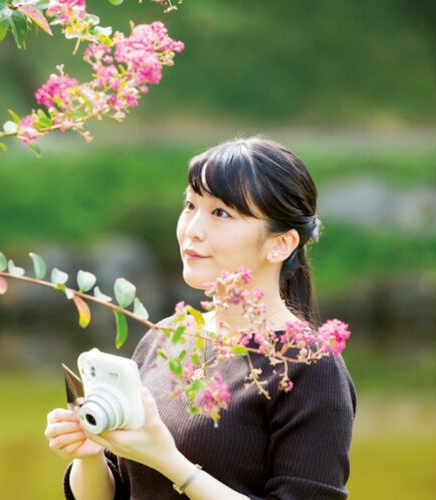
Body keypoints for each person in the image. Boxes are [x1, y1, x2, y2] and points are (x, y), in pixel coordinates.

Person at [44, 136, 357, 499]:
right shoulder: (166, 337)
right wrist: (90, 454)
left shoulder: (308, 366)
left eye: (220, 213)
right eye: (190, 205)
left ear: (281, 243)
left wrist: (168, 461)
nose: (192, 229)